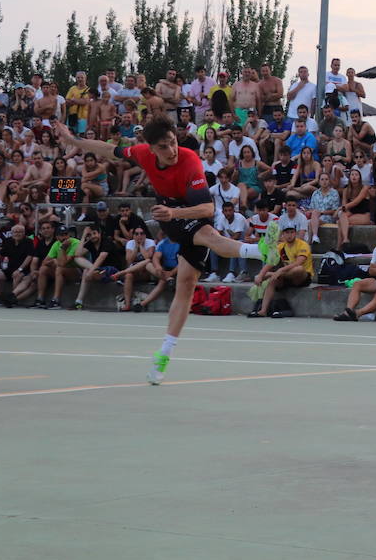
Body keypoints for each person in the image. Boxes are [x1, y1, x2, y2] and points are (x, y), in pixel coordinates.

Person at [54, 119, 268, 384]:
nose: (172, 150)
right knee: (207, 236)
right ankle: (259, 251)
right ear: (152, 149)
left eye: (173, 142)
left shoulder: (190, 161)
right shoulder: (142, 153)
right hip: (169, 214)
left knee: (186, 286)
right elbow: (109, 150)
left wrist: (175, 212)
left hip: (190, 211)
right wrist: (73, 140)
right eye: (164, 147)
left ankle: (164, 353)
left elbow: (208, 210)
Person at [251, 226, 312, 318]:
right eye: (287, 233)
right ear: (283, 235)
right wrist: (261, 274)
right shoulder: (280, 247)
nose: (289, 235)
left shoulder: (303, 245)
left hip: (301, 277)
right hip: (286, 277)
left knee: (298, 269)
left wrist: (280, 270)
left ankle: (272, 274)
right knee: (272, 280)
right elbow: (270, 262)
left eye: (292, 232)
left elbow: (299, 262)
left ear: (295, 233)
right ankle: (263, 310)